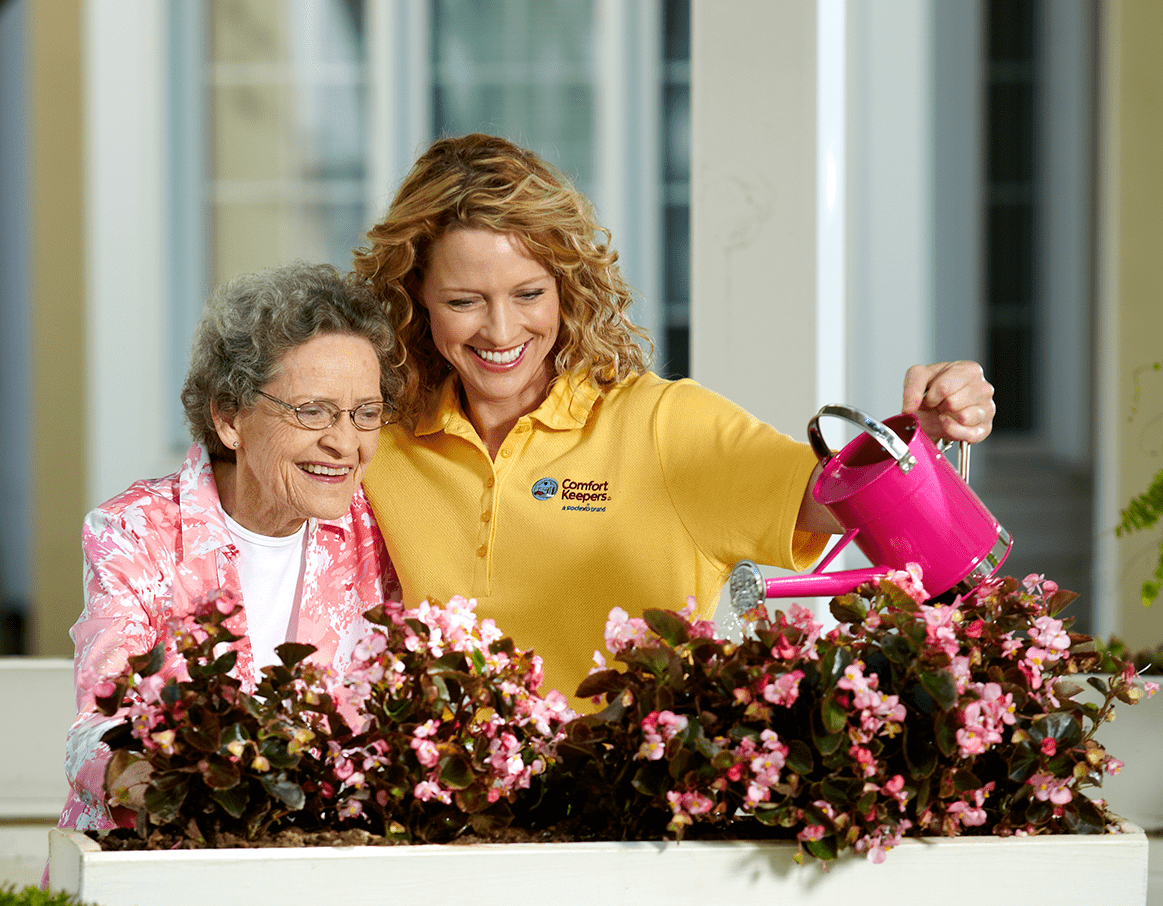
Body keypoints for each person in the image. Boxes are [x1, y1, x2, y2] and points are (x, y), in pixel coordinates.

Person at [352, 133, 995, 704]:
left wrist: (930, 435)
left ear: (568, 289)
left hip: (631, 827)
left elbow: (862, 505)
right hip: (441, 828)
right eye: (464, 300)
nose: (500, 329)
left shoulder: (663, 426)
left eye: (528, 294)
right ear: (415, 301)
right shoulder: (374, 441)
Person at [55, 262, 402, 832]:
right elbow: (97, 725)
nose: (344, 442)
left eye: (365, 413)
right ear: (229, 417)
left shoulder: (380, 531)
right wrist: (163, 787)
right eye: (312, 411)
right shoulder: (137, 531)